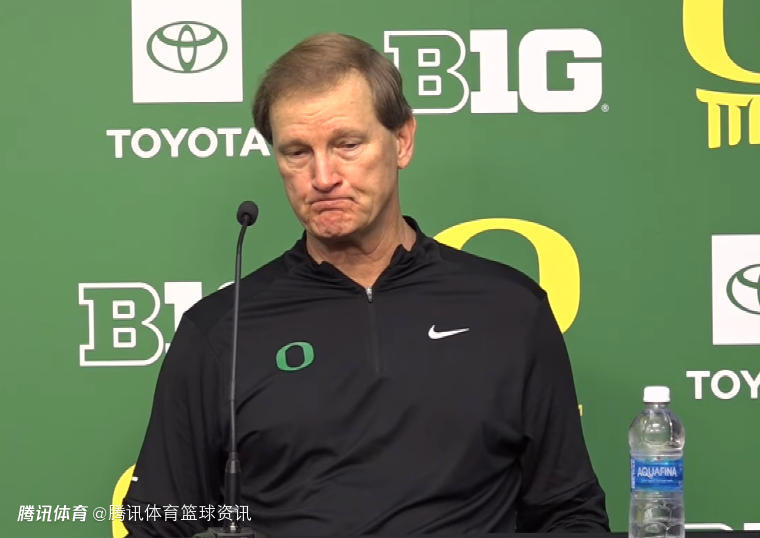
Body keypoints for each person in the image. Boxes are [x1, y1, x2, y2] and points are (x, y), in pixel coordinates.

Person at [124, 33, 609, 536]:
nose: (323, 177)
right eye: (297, 152)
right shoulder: (220, 330)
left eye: (347, 145)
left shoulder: (509, 310)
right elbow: (155, 522)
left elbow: (569, 513)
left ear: (402, 141)